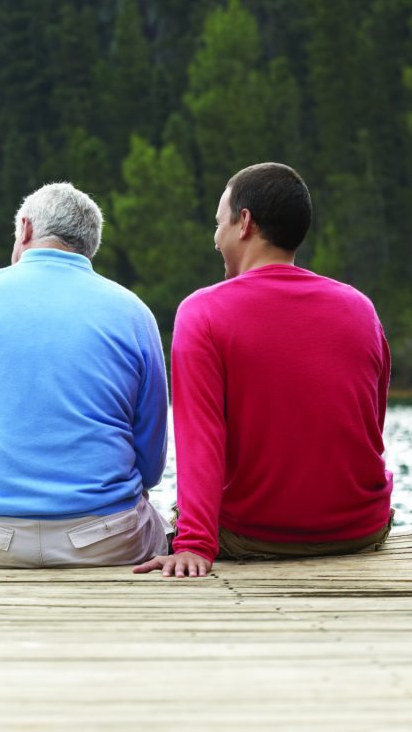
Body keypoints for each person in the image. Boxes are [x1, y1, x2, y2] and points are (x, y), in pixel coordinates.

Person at [134, 163, 393, 578]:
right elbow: (370, 425)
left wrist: (195, 544)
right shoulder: (359, 308)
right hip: (360, 531)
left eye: (219, 224)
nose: (216, 240)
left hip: (255, 536)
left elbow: (201, 439)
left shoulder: (202, 313)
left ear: (244, 224)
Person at [0, 182, 170, 568]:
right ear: (89, 246)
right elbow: (152, 464)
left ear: (24, 229)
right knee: (161, 525)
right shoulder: (133, 311)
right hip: (105, 540)